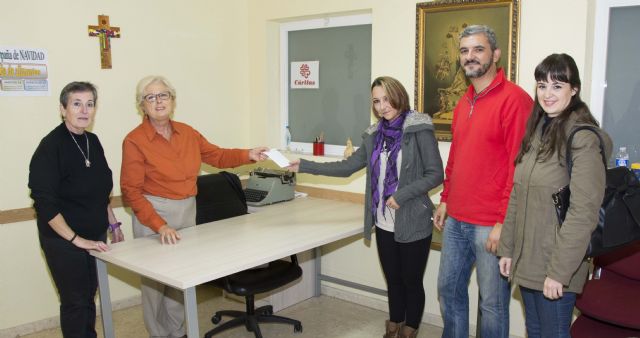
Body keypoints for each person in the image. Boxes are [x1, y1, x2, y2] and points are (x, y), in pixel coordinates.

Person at [287, 76, 443, 338]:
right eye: (376, 101)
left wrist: (402, 194)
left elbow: (435, 174)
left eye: (386, 99)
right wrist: (304, 165)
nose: (382, 106)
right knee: (393, 279)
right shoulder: (374, 136)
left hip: (413, 219)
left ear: (399, 96)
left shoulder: (419, 129)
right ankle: (394, 325)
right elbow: (347, 167)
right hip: (383, 221)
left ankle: (410, 329)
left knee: (411, 281)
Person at [120, 75, 268, 338]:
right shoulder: (134, 140)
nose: (158, 101)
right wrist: (158, 224)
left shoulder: (187, 132)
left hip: (187, 209)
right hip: (153, 214)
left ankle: (178, 332)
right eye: (150, 97)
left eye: (163, 95)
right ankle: (159, 334)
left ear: (173, 100)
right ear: (142, 105)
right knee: (155, 283)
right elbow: (131, 191)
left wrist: (247, 154)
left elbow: (217, 155)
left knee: (181, 279)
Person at [498, 53, 612, 337]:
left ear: (574, 89)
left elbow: (584, 212)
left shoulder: (582, 138)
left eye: (557, 86)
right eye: (541, 85)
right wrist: (508, 249)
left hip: (557, 262)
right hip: (529, 258)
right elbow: (518, 193)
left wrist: (559, 271)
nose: (547, 94)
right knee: (535, 330)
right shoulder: (538, 129)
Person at [433, 25, 533, 338]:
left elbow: (519, 168)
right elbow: (456, 157)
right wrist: (446, 199)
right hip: (456, 220)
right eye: (464, 51)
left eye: (478, 49)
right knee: (448, 292)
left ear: (495, 54)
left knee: (492, 304)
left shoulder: (515, 100)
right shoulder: (464, 102)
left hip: (491, 224)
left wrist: (504, 222)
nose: (470, 56)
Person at [29, 81, 124, 338]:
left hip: (93, 236)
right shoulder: (50, 146)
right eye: (76, 103)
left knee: (88, 296)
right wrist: (77, 240)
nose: (84, 110)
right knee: (75, 301)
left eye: (90, 104)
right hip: (63, 240)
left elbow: (100, 191)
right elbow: (44, 204)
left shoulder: (93, 141)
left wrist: (113, 223)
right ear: (63, 109)